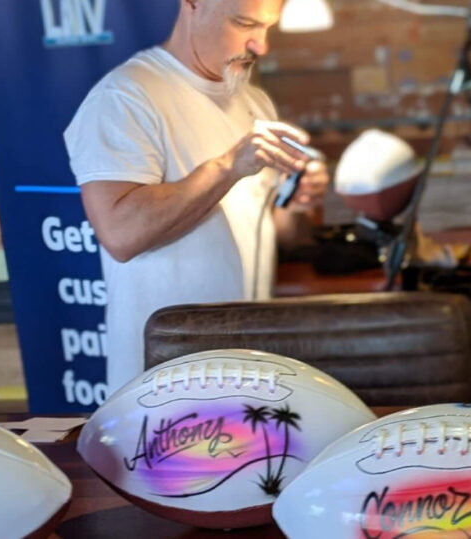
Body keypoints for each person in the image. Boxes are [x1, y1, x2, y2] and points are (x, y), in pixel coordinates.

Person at [63, 0, 328, 393]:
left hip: (250, 369)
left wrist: (300, 199)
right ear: (193, 5)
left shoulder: (254, 103)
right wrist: (227, 167)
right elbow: (120, 233)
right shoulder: (125, 97)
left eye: (267, 27)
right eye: (244, 24)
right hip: (164, 384)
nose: (261, 46)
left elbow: (279, 234)